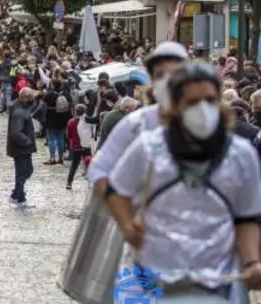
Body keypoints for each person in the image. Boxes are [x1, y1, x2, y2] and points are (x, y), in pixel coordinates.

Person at [107, 64, 261, 302]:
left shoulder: (242, 155)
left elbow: (247, 217)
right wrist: (127, 225)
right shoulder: (148, 148)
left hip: (218, 284)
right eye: (192, 102)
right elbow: (116, 190)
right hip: (151, 284)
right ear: (175, 106)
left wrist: (251, 262)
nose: (202, 109)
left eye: (209, 100)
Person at [89, 42, 189, 194]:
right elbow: (99, 167)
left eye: (174, 74)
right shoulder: (136, 122)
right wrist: (124, 212)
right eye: (160, 74)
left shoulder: (203, 120)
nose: (167, 81)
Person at [6, 87, 38, 206]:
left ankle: (16, 194)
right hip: (20, 148)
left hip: (24, 148)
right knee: (22, 173)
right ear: (25, 98)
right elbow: (16, 132)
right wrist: (27, 141)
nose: (32, 100)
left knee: (27, 171)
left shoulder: (22, 107)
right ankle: (20, 198)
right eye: (31, 98)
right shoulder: (19, 112)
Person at [65, 104, 91, 189]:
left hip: (76, 147)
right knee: (89, 164)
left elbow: (68, 136)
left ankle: (69, 183)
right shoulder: (87, 121)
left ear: (75, 112)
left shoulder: (71, 122)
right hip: (86, 146)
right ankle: (91, 183)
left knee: (74, 166)